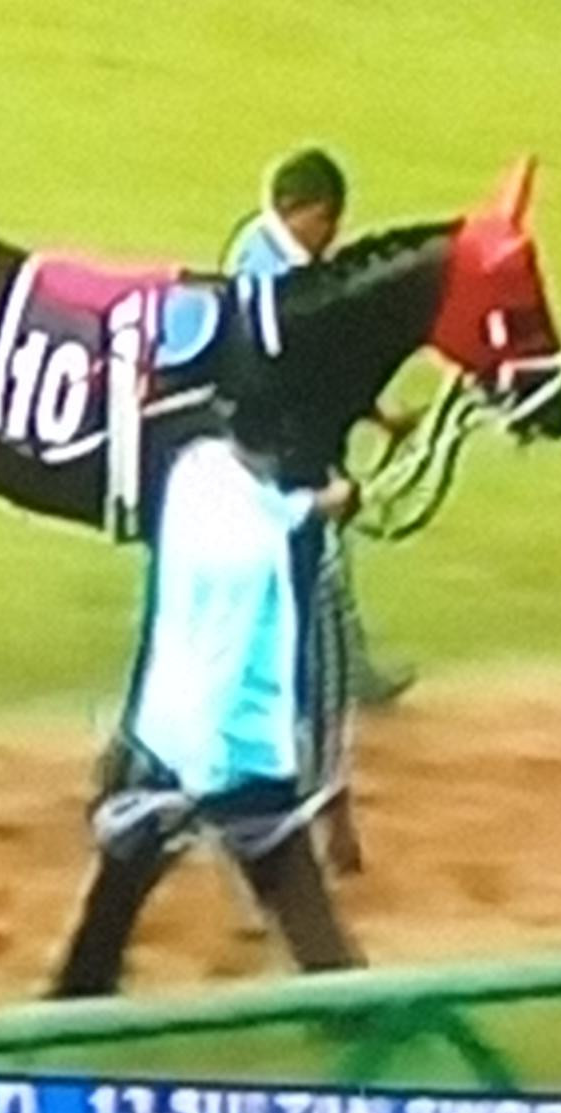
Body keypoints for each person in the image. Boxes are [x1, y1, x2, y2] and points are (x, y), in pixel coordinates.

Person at [49, 423, 365, 998]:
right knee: (284, 870)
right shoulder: (249, 556)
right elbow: (230, 650)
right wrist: (203, 779)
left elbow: (269, 512)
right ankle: (356, 1003)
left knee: (128, 863)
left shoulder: (198, 473)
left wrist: (317, 507)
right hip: (226, 751)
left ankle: (78, 989)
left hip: (165, 732)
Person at [223, 146, 418, 877]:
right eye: (327, 222)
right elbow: (297, 367)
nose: (331, 236)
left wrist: (375, 413)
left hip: (286, 457)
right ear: (302, 211)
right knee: (304, 617)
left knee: (319, 591)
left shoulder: (273, 256)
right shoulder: (267, 273)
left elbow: (326, 359)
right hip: (277, 461)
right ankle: (321, 817)